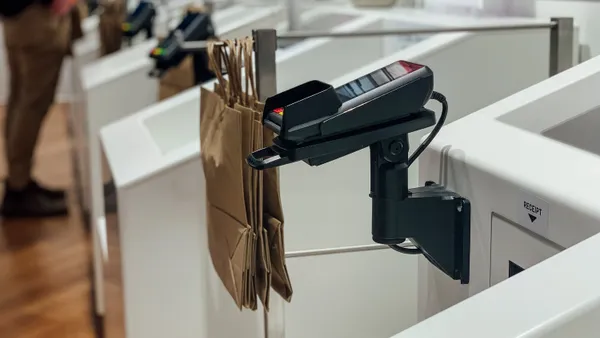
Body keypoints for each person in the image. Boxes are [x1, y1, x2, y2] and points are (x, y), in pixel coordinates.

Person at [0, 0, 82, 218]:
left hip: (19, 17)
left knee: (21, 102)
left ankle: (20, 181)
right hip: (36, 18)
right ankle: (18, 188)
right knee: (31, 106)